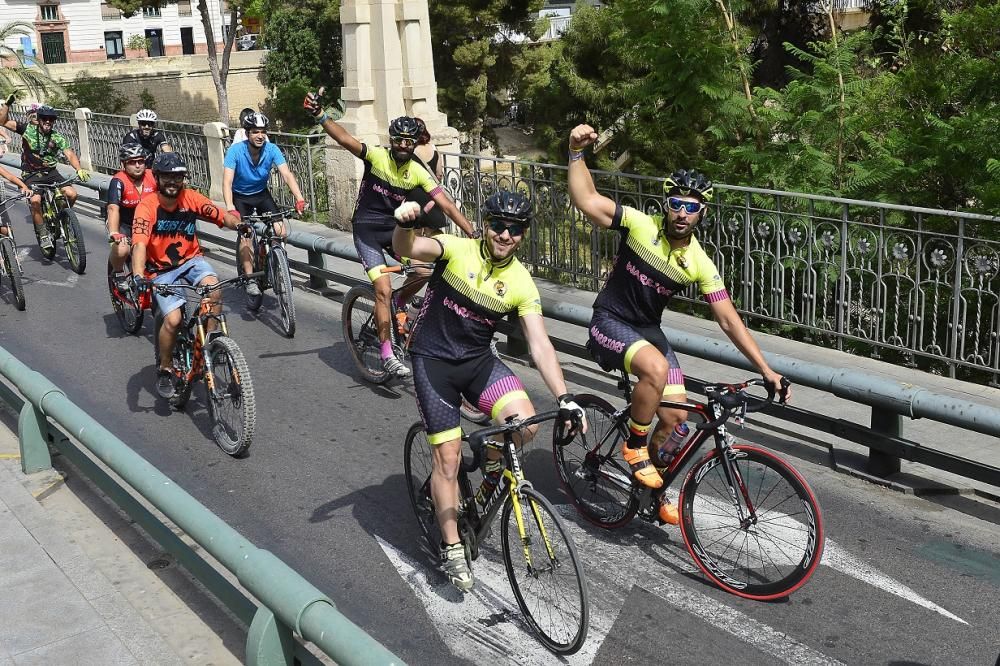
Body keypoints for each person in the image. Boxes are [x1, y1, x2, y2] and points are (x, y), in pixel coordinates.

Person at [566, 123, 790, 525]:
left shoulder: (700, 262)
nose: (682, 212)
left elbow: (727, 319)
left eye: (691, 207)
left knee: (676, 418)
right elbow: (587, 200)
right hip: (609, 320)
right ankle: (634, 447)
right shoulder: (639, 224)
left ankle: (648, 489)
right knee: (653, 368)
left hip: (647, 331)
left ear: (702, 213)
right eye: (675, 203)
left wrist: (766, 369)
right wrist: (576, 153)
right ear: (665, 203)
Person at [393, 189, 586, 592]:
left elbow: (539, 344)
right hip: (433, 361)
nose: (505, 234)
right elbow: (410, 247)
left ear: (524, 234)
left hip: (478, 361)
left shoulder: (520, 281)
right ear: (485, 224)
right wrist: (404, 224)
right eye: (498, 225)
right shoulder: (455, 249)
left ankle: (493, 465)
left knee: (526, 425)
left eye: (515, 229)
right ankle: (450, 546)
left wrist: (565, 396)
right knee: (447, 458)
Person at [304, 89, 478, 377]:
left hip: (395, 230)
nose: (402, 145)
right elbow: (346, 140)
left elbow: (446, 203)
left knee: (424, 271)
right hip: (366, 230)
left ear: (413, 145)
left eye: (408, 141)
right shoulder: (377, 157)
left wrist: (471, 232)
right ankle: (386, 354)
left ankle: (399, 301)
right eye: (398, 140)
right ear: (391, 140)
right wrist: (321, 116)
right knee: (382, 288)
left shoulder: (417, 172)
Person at [130, 153, 243, 399]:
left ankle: (210, 343)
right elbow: (139, 244)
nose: (173, 181)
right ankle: (165, 368)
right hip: (160, 271)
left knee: (214, 287)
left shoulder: (189, 198)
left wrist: (239, 225)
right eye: (167, 176)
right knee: (172, 320)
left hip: (192, 262)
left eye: (178, 176)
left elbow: (220, 215)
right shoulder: (147, 207)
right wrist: (139, 275)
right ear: (157, 178)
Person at [222, 111, 306, 298]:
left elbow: (286, 174)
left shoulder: (272, 149)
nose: (260, 136)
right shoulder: (235, 151)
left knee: (280, 230)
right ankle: (251, 278)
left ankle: (275, 264)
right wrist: (230, 207)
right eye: (255, 132)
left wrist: (299, 198)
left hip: (261, 194)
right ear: (247, 133)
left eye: (262, 132)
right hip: (240, 196)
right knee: (246, 235)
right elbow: (227, 181)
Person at [0, 104, 89, 251]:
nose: (48, 121)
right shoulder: (27, 129)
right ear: (39, 119)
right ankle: (43, 234)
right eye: (45, 119)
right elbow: (3, 122)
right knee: (35, 201)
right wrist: (7, 106)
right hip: (31, 174)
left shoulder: (56, 136)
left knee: (72, 194)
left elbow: (69, 153)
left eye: (51, 119)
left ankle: (62, 217)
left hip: (51, 172)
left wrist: (78, 169)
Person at [106, 143, 157, 277]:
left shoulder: (153, 176)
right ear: (123, 164)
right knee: (122, 249)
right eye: (132, 162)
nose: (138, 165)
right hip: (124, 225)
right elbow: (113, 208)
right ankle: (117, 273)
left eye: (141, 161)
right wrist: (114, 232)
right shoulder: (118, 181)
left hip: (148, 224)